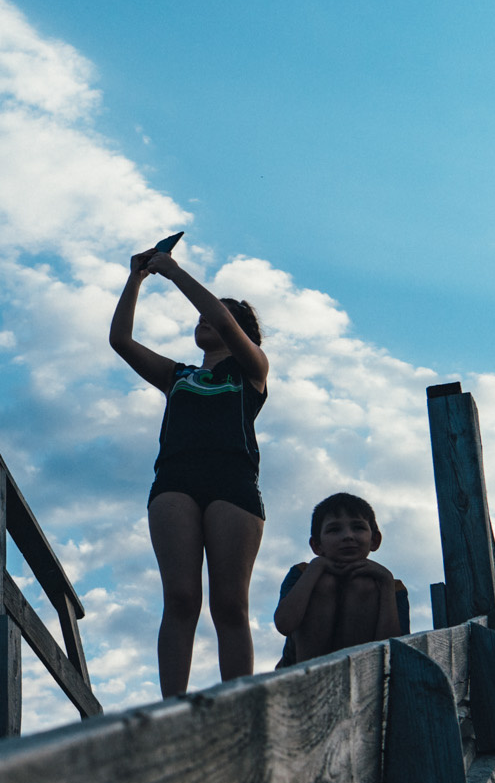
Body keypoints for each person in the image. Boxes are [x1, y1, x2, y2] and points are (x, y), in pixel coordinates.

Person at [108, 243, 268, 694]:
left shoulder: (251, 371)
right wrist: (136, 278)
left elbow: (218, 316)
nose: (205, 320)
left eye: (217, 317)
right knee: (179, 599)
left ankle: (239, 703)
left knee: (230, 605)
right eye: (198, 317)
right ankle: (171, 708)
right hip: (174, 482)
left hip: (233, 484)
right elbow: (120, 341)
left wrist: (175, 272)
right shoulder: (177, 376)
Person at [274, 492, 411, 665]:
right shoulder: (303, 573)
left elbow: (393, 651)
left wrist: (385, 581)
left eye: (358, 528)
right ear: (317, 545)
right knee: (324, 583)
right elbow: (284, 624)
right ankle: (313, 677)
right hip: (300, 674)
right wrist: (315, 568)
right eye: (334, 530)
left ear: (375, 540)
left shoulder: (390, 585)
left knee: (363, 585)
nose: (348, 536)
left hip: (364, 676)